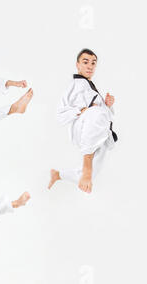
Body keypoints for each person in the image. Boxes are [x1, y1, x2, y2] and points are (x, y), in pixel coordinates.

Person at [48, 49, 117, 193]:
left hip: (99, 132)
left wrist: (108, 105)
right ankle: (87, 167)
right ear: (77, 65)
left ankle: (58, 175)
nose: (90, 66)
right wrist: (81, 110)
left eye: (93, 63)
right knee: (96, 113)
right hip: (84, 129)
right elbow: (60, 114)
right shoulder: (75, 85)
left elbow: (103, 113)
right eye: (85, 62)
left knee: (94, 173)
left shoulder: (90, 86)